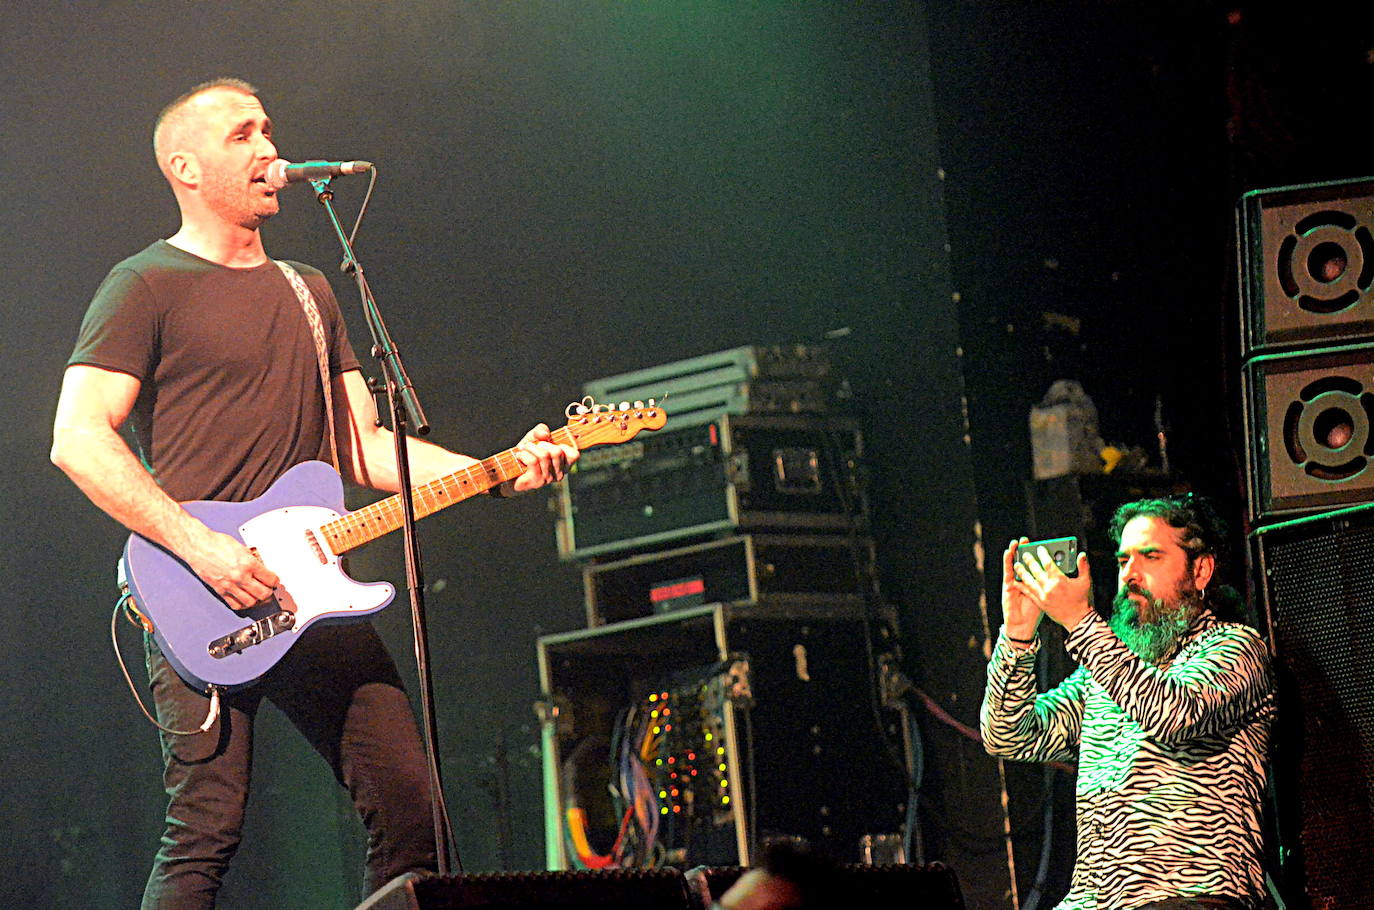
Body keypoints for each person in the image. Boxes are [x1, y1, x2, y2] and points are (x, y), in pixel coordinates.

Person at [49, 77, 579, 909]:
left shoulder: (309, 287)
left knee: (414, 813)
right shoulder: (142, 284)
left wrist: (504, 466)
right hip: (198, 592)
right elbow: (77, 437)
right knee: (204, 833)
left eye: (269, 129)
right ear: (185, 168)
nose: (271, 149)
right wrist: (203, 547)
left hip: (312, 591)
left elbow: (363, 445)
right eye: (243, 134)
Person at [980, 495, 1275, 910]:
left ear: (1201, 569)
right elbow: (1007, 735)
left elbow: (1174, 714)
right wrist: (1018, 636)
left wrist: (1080, 623)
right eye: (1122, 562)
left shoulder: (1234, 648)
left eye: (1151, 557)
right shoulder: (1104, 675)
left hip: (1190, 897)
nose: (1130, 575)